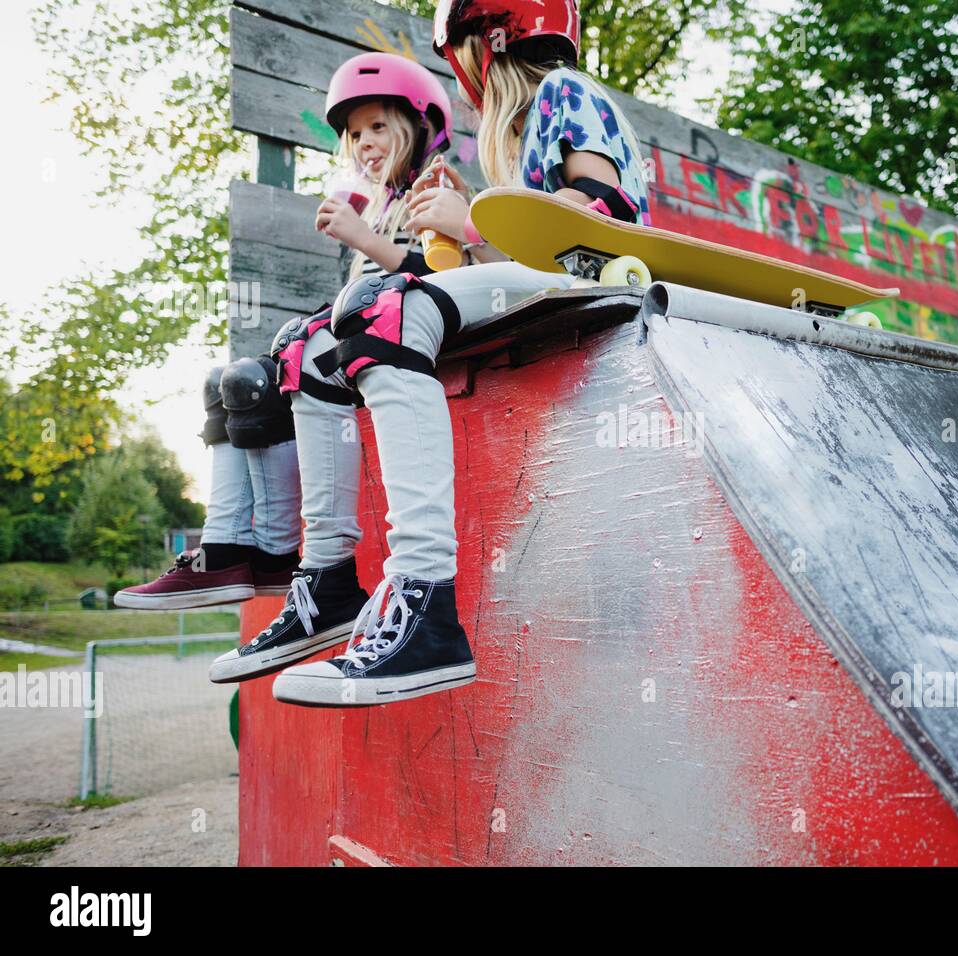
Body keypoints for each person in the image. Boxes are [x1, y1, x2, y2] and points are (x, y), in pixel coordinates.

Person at [267, 0, 652, 707]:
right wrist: (470, 231)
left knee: (386, 310)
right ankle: (326, 581)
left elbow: (601, 208)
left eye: (466, 51)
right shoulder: (526, 127)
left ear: (490, 40)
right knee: (319, 343)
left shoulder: (564, 92)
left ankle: (426, 605)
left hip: (592, 279)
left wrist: (470, 219)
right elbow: (518, 244)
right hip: (548, 281)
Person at [110, 53, 453, 677]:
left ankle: (297, 561)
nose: (365, 144)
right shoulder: (374, 205)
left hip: (408, 351)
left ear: (419, 124)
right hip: (358, 353)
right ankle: (234, 550)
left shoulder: (437, 187)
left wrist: (365, 238)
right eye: (354, 135)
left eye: (379, 126)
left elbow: (444, 279)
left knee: (286, 358)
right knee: (234, 381)